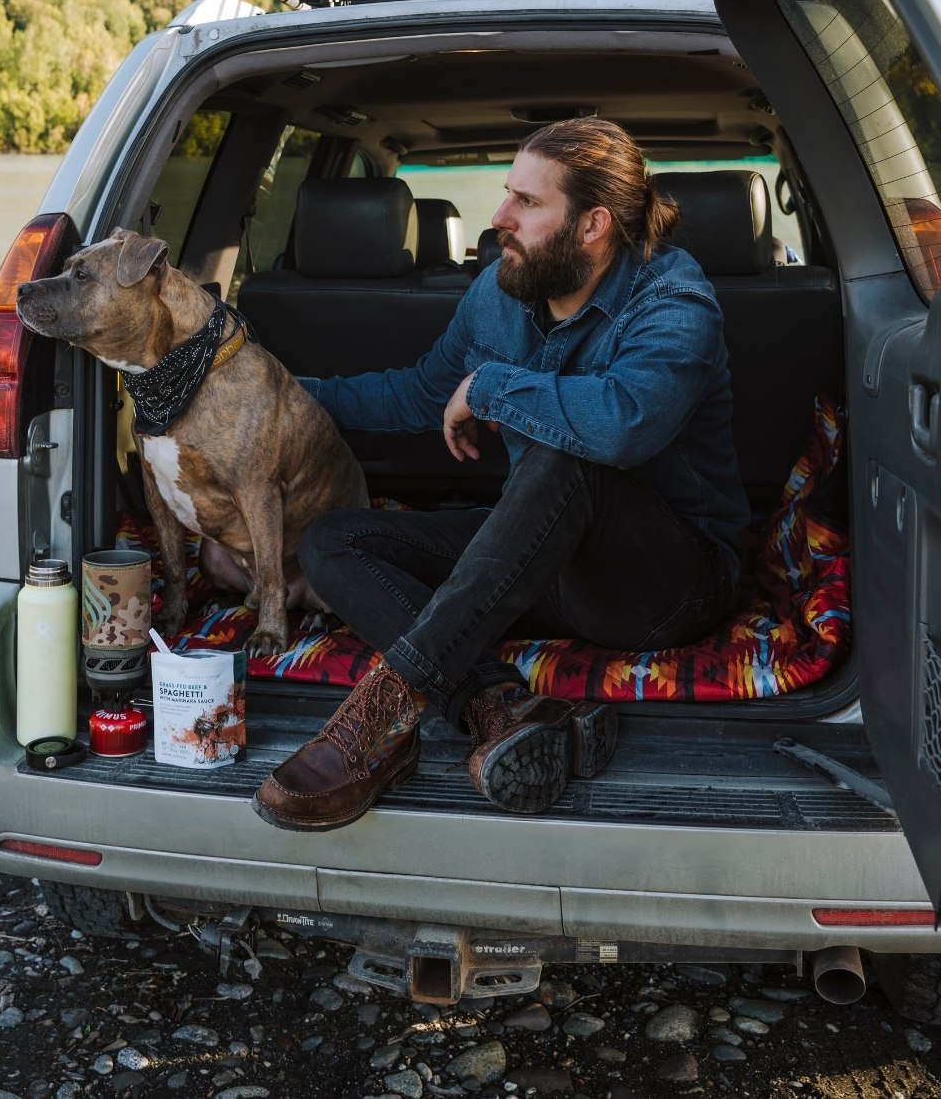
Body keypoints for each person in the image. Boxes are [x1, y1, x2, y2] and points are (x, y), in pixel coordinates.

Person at [251, 118, 750, 832]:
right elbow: (421, 393)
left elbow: (623, 422)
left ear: (593, 225)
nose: (498, 219)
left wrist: (488, 388)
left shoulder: (674, 300)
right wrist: (273, 396)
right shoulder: (500, 288)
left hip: (666, 584)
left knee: (565, 457)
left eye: (526, 202)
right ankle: (496, 706)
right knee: (332, 540)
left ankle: (378, 721)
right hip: (541, 561)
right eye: (504, 194)